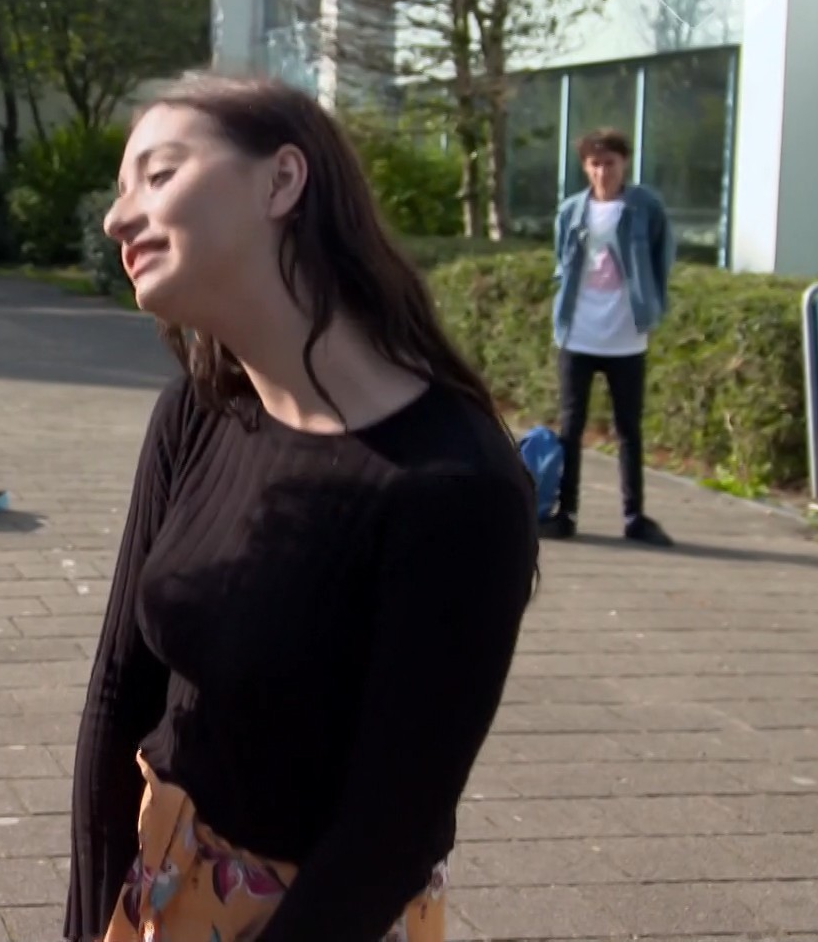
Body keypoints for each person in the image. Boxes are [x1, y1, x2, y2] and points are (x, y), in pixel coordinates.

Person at [66, 73, 539, 942]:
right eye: (120, 189)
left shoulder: (456, 486)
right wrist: (89, 920)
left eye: (158, 175)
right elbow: (119, 696)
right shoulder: (198, 410)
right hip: (154, 891)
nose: (117, 218)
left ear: (282, 181)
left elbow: (390, 833)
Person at [542, 127, 675, 546]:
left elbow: (662, 258)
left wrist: (651, 306)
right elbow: (562, 262)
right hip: (577, 333)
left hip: (626, 337)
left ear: (624, 163)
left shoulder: (645, 207)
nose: (603, 172)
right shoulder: (571, 211)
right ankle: (567, 513)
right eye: (595, 164)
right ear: (585, 167)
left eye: (610, 163)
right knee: (571, 426)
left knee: (628, 429)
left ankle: (634, 516)